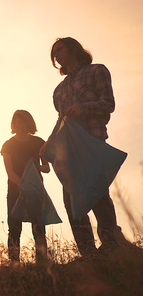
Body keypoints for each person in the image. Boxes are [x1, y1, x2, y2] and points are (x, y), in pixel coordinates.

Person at [40, 37, 122, 256]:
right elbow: (60, 121)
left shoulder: (97, 71)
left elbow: (108, 104)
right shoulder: (59, 90)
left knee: (97, 195)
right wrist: (49, 142)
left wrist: (82, 107)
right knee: (70, 201)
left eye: (60, 49)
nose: (56, 54)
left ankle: (112, 245)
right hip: (68, 152)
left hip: (92, 143)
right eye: (53, 52)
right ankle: (87, 253)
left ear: (74, 49)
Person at [1, 110, 50, 265]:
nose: (19, 127)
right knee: (14, 228)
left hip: (36, 190)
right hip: (16, 190)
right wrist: (23, 186)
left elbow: (46, 168)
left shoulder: (38, 142)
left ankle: (42, 264)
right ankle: (14, 265)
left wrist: (37, 166)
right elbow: (10, 172)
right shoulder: (8, 145)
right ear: (13, 125)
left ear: (29, 124)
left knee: (39, 228)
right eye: (17, 124)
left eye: (22, 123)